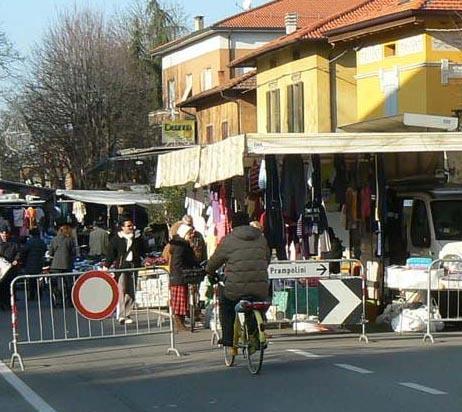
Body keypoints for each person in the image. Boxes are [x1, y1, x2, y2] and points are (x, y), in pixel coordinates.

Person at [206, 212, 270, 351]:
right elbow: (267, 259)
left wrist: (209, 271)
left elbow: (214, 262)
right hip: (260, 287)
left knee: (226, 303)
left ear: (231, 224)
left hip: (236, 288)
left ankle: (228, 338)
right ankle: (255, 335)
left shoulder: (228, 240)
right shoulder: (261, 238)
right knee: (254, 302)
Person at [105, 218, 145, 324]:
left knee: (131, 291)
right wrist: (106, 266)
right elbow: (111, 253)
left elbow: (143, 251)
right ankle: (121, 315)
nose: (131, 227)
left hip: (134, 266)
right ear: (123, 227)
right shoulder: (117, 239)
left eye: (132, 225)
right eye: (128, 226)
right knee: (121, 290)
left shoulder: (137, 238)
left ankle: (127, 314)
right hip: (122, 267)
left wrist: (143, 259)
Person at [168, 223, 198, 332]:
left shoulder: (181, 244)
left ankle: (180, 322)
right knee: (180, 302)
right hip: (179, 277)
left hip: (178, 276)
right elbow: (181, 262)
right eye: (189, 233)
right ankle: (179, 323)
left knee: (181, 301)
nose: (191, 235)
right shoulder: (181, 246)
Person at [49, 223, 76, 305]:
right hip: (67, 264)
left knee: (56, 283)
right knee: (68, 283)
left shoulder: (54, 240)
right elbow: (73, 252)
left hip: (56, 265)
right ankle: (70, 300)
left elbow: (51, 252)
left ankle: (58, 299)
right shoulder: (70, 240)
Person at [21, 228, 47, 300]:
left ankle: (32, 295)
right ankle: (39, 294)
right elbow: (45, 249)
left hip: (30, 262)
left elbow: (24, 251)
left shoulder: (30, 242)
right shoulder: (41, 241)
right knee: (39, 279)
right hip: (39, 262)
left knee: (31, 280)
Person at [0, 227, 20, 310]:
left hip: (11, 269)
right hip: (1, 270)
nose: (4, 235)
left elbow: (18, 253)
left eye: (6, 233)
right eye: (2, 233)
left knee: (10, 287)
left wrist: (16, 260)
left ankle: (9, 304)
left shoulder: (13, 244)